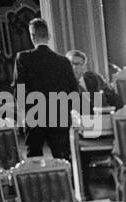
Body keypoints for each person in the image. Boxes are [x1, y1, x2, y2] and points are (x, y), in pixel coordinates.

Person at [14, 19, 77, 160]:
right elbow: (74, 91)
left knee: (34, 158)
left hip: (35, 114)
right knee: (63, 159)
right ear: (49, 36)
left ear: (32, 36)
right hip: (59, 114)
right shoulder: (63, 61)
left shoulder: (23, 58)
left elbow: (19, 89)